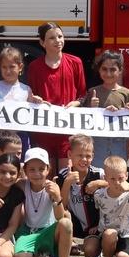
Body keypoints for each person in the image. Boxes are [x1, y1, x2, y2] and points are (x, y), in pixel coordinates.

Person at [28, 22, 86, 177]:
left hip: (66, 129)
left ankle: (64, 202)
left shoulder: (75, 62)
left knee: (66, 174)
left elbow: (82, 94)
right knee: (46, 174)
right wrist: (35, 99)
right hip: (44, 128)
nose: (57, 41)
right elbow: (31, 95)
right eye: (52, 38)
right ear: (42, 43)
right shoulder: (34, 67)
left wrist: (76, 103)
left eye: (60, 36)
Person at [10, 148, 74, 257]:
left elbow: (59, 217)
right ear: (25, 170)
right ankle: (38, 254)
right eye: (31, 169)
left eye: (41, 169)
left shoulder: (53, 186)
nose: (37, 173)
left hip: (47, 231)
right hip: (27, 231)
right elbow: (3, 180)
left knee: (66, 222)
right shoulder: (21, 184)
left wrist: (57, 198)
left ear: (48, 169)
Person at [59, 133, 105, 257]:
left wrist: (99, 183)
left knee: (89, 252)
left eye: (88, 156)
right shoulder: (63, 174)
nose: (84, 159)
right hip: (76, 224)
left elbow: (117, 184)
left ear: (93, 156)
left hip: (95, 226)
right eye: (79, 155)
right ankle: (58, 253)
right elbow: (61, 205)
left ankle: (98, 249)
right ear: (69, 155)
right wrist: (67, 183)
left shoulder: (99, 174)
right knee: (63, 215)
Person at [85, 51, 129, 170]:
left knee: (116, 175)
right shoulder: (92, 92)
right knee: (96, 173)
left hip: (117, 142)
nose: (108, 73)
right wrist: (92, 107)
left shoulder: (127, 93)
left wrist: (125, 110)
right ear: (99, 70)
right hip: (97, 144)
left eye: (113, 69)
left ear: (120, 70)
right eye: (104, 69)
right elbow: (84, 120)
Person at [0, 46, 40, 158]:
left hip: (20, 136)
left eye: (12, 67)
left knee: (21, 165)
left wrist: (37, 101)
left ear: (20, 67)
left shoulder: (26, 89)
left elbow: (33, 108)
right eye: (4, 67)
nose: (8, 71)